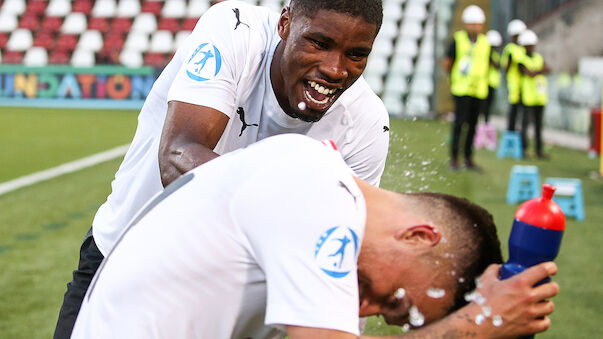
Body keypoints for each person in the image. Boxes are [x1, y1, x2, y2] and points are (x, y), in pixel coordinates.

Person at [53, 1, 390, 338]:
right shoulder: (234, 29)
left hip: (234, 311)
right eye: (319, 43)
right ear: (285, 24)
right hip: (125, 270)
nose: (335, 69)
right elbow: (179, 156)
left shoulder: (366, 124)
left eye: (356, 54)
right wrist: (297, 211)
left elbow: (340, 250)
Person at [71, 134, 559, 339]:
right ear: (417, 236)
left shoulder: (313, 174)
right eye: (395, 302)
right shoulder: (316, 191)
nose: (365, 310)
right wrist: (481, 321)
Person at [443, 5, 491, 171]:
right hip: (462, 89)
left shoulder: (485, 42)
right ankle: (455, 158)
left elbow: (488, 64)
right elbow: (448, 62)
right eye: (472, 23)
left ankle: (469, 158)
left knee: (473, 126)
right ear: (466, 24)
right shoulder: (458, 39)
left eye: (478, 23)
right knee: (459, 124)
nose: (475, 26)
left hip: (478, 90)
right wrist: (452, 81)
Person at [518, 30, 551, 159]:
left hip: (540, 97)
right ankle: (524, 149)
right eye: (528, 45)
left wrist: (537, 71)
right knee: (525, 125)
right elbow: (529, 73)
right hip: (528, 97)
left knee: (539, 125)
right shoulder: (521, 59)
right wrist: (540, 70)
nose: (531, 47)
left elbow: (548, 68)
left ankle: (539, 150)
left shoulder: (538, 57)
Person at [501, 19, 527, 132]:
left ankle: (520, 134)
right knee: (514, 110)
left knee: (523, 113)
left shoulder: (523, 48)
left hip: (525, 84)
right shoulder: (510, 49)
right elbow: (506, 66)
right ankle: (510, 132)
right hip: (514, 83)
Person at [485, 30, 502, 123]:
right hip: (485, 83)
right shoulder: (486, 54)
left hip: (492, 83)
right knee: (484, 107)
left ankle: (486, 124)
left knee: (488, 107)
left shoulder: (495, 54)